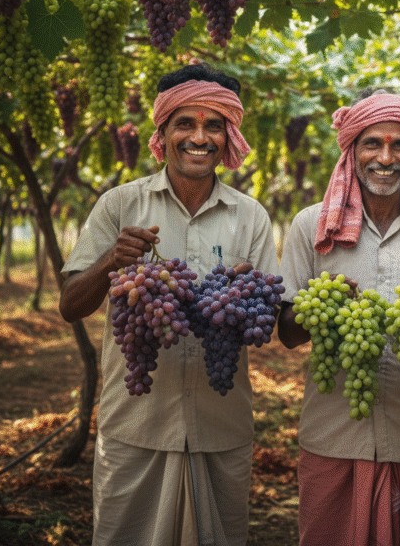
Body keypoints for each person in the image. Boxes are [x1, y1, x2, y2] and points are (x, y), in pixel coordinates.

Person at [59, 62, 279, 546]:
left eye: (213, 125)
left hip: (222, 427)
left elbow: (269, 325)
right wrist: (110, 262)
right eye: (185, 123)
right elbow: (71, 305)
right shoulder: (120, 205)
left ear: (229, 136)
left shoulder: (251, 217)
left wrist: (242, 297)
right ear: (162, 132)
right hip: (135, 426)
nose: (199, 137)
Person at [277, 88, 400, 546]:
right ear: (352, 149)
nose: (386, 157)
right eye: (372, 143)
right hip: (333, 434)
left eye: (399, 144)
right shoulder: (312, 225)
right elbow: (286, 333)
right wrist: (322, 305)